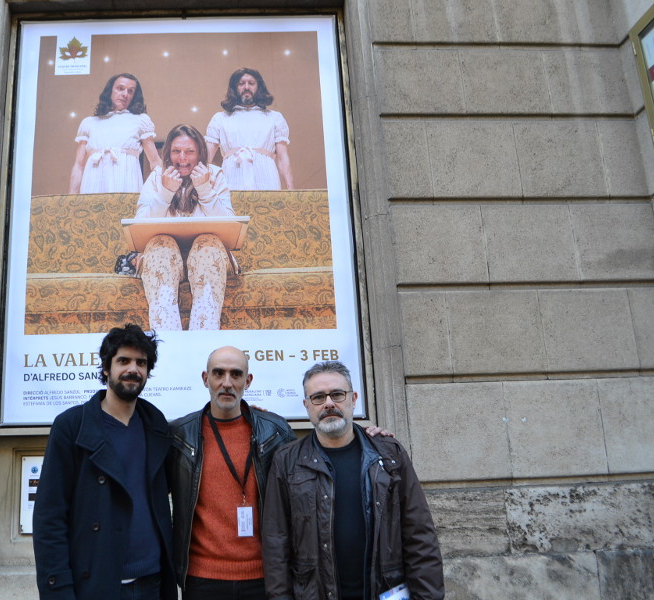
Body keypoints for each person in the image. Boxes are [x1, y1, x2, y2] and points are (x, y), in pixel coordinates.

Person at [262, 361, 444, 600]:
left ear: (353, 398)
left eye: (337, 394)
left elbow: (419, 534)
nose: (328, 403)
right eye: (318, 397)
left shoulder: (389, 455)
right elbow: (276, 544)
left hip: (383, 590)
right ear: (307, 405)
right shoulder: (287, 462)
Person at [32, 324, 177, 600]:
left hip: (152, 583)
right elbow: (49, 518)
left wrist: (246, 414)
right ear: (106, 369)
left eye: (141, 363)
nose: (133, 369)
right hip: (97, 584)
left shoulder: (156, 425)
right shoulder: (72, 427)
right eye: (123, 360)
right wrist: (58, 592)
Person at [167, 346, 296, 599]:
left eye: (236, 374)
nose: (227, 383)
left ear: (248, 381)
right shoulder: (180, 435)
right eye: (218, 373)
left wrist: (366, 436)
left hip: (264, 577)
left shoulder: (276, 432)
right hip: (201, 578)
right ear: (206, 379)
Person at [135, 124, 234, 331]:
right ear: (168, 154)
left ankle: (202, 345)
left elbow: (229, 224)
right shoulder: (156, 177)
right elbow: (140, 225)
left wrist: (205, 189)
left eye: (189, 152)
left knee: (206, 244)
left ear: (200, 154)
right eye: (176, 151)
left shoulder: (215, 175)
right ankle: (168, 347)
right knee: (162, 245)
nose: (182, 158)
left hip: (208, 253)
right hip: (163, 254)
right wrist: (165, 193)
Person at [69, 73, 162, 194]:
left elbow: (155, 163)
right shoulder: (89, 123)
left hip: (127, 184)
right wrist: (71, 198)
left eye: (130, 91)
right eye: (120, 88)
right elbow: (79, 166)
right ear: (110, 91)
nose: (125, 94)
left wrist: (161, 194)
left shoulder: (140, 121)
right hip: (93, 183)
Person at [205, 68, 294, 191]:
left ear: (259, 87)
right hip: (230, 181)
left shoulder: (274, 117)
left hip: (267, 181)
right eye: (241, 84)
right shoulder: (220, 118)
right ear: (234, 88)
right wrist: (201, 188)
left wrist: (291, 190)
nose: (246, 87)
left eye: (251, 83)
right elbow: (207, 158)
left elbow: (283, 157)